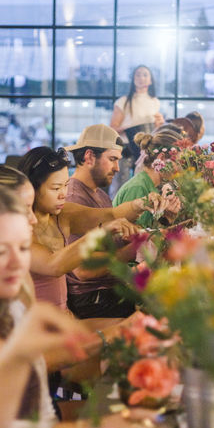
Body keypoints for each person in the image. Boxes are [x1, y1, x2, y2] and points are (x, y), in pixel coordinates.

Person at [0, 181, 174, 428]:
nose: (18, 263)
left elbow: (37, 423)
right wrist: (16, 361)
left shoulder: (10, 309)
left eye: (23, 248)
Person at [18, 145, 162, 310]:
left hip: (63, 315)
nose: (63, 193)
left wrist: (141, 204)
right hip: (38, 325)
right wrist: (100, 234)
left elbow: (111, 215)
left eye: (65, 184)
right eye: (56, 188)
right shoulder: (22, 229)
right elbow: (54, 265)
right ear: (32, 188)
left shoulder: (63, 214)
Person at [65, 124, 140, 319]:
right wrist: (136, 247)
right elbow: (83, 270)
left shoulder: (99, 194)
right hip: (92, 300)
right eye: (112, 159)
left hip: (108, 292)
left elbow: (110, 245)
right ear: (89, 156)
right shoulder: (74, 198)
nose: (117, 168)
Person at [110, 65, 164, 197]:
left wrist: (159, 124)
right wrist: (128, 128)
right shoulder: (123, 102)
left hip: (145, 151)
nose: (141, 78)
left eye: (145, 75)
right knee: (120, 184)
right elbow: (112, 128)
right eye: (138, 74)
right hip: (126, 149)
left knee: (143, 184)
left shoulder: (155, 102)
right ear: (133, 79)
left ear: (150, 80)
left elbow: (156, 130)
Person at [113, 129, 182, 230]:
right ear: (162, 158)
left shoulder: (151, 185)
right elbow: (134, 239)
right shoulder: (138, 187)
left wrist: (167, 218)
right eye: (179, 162)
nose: (182, 169)